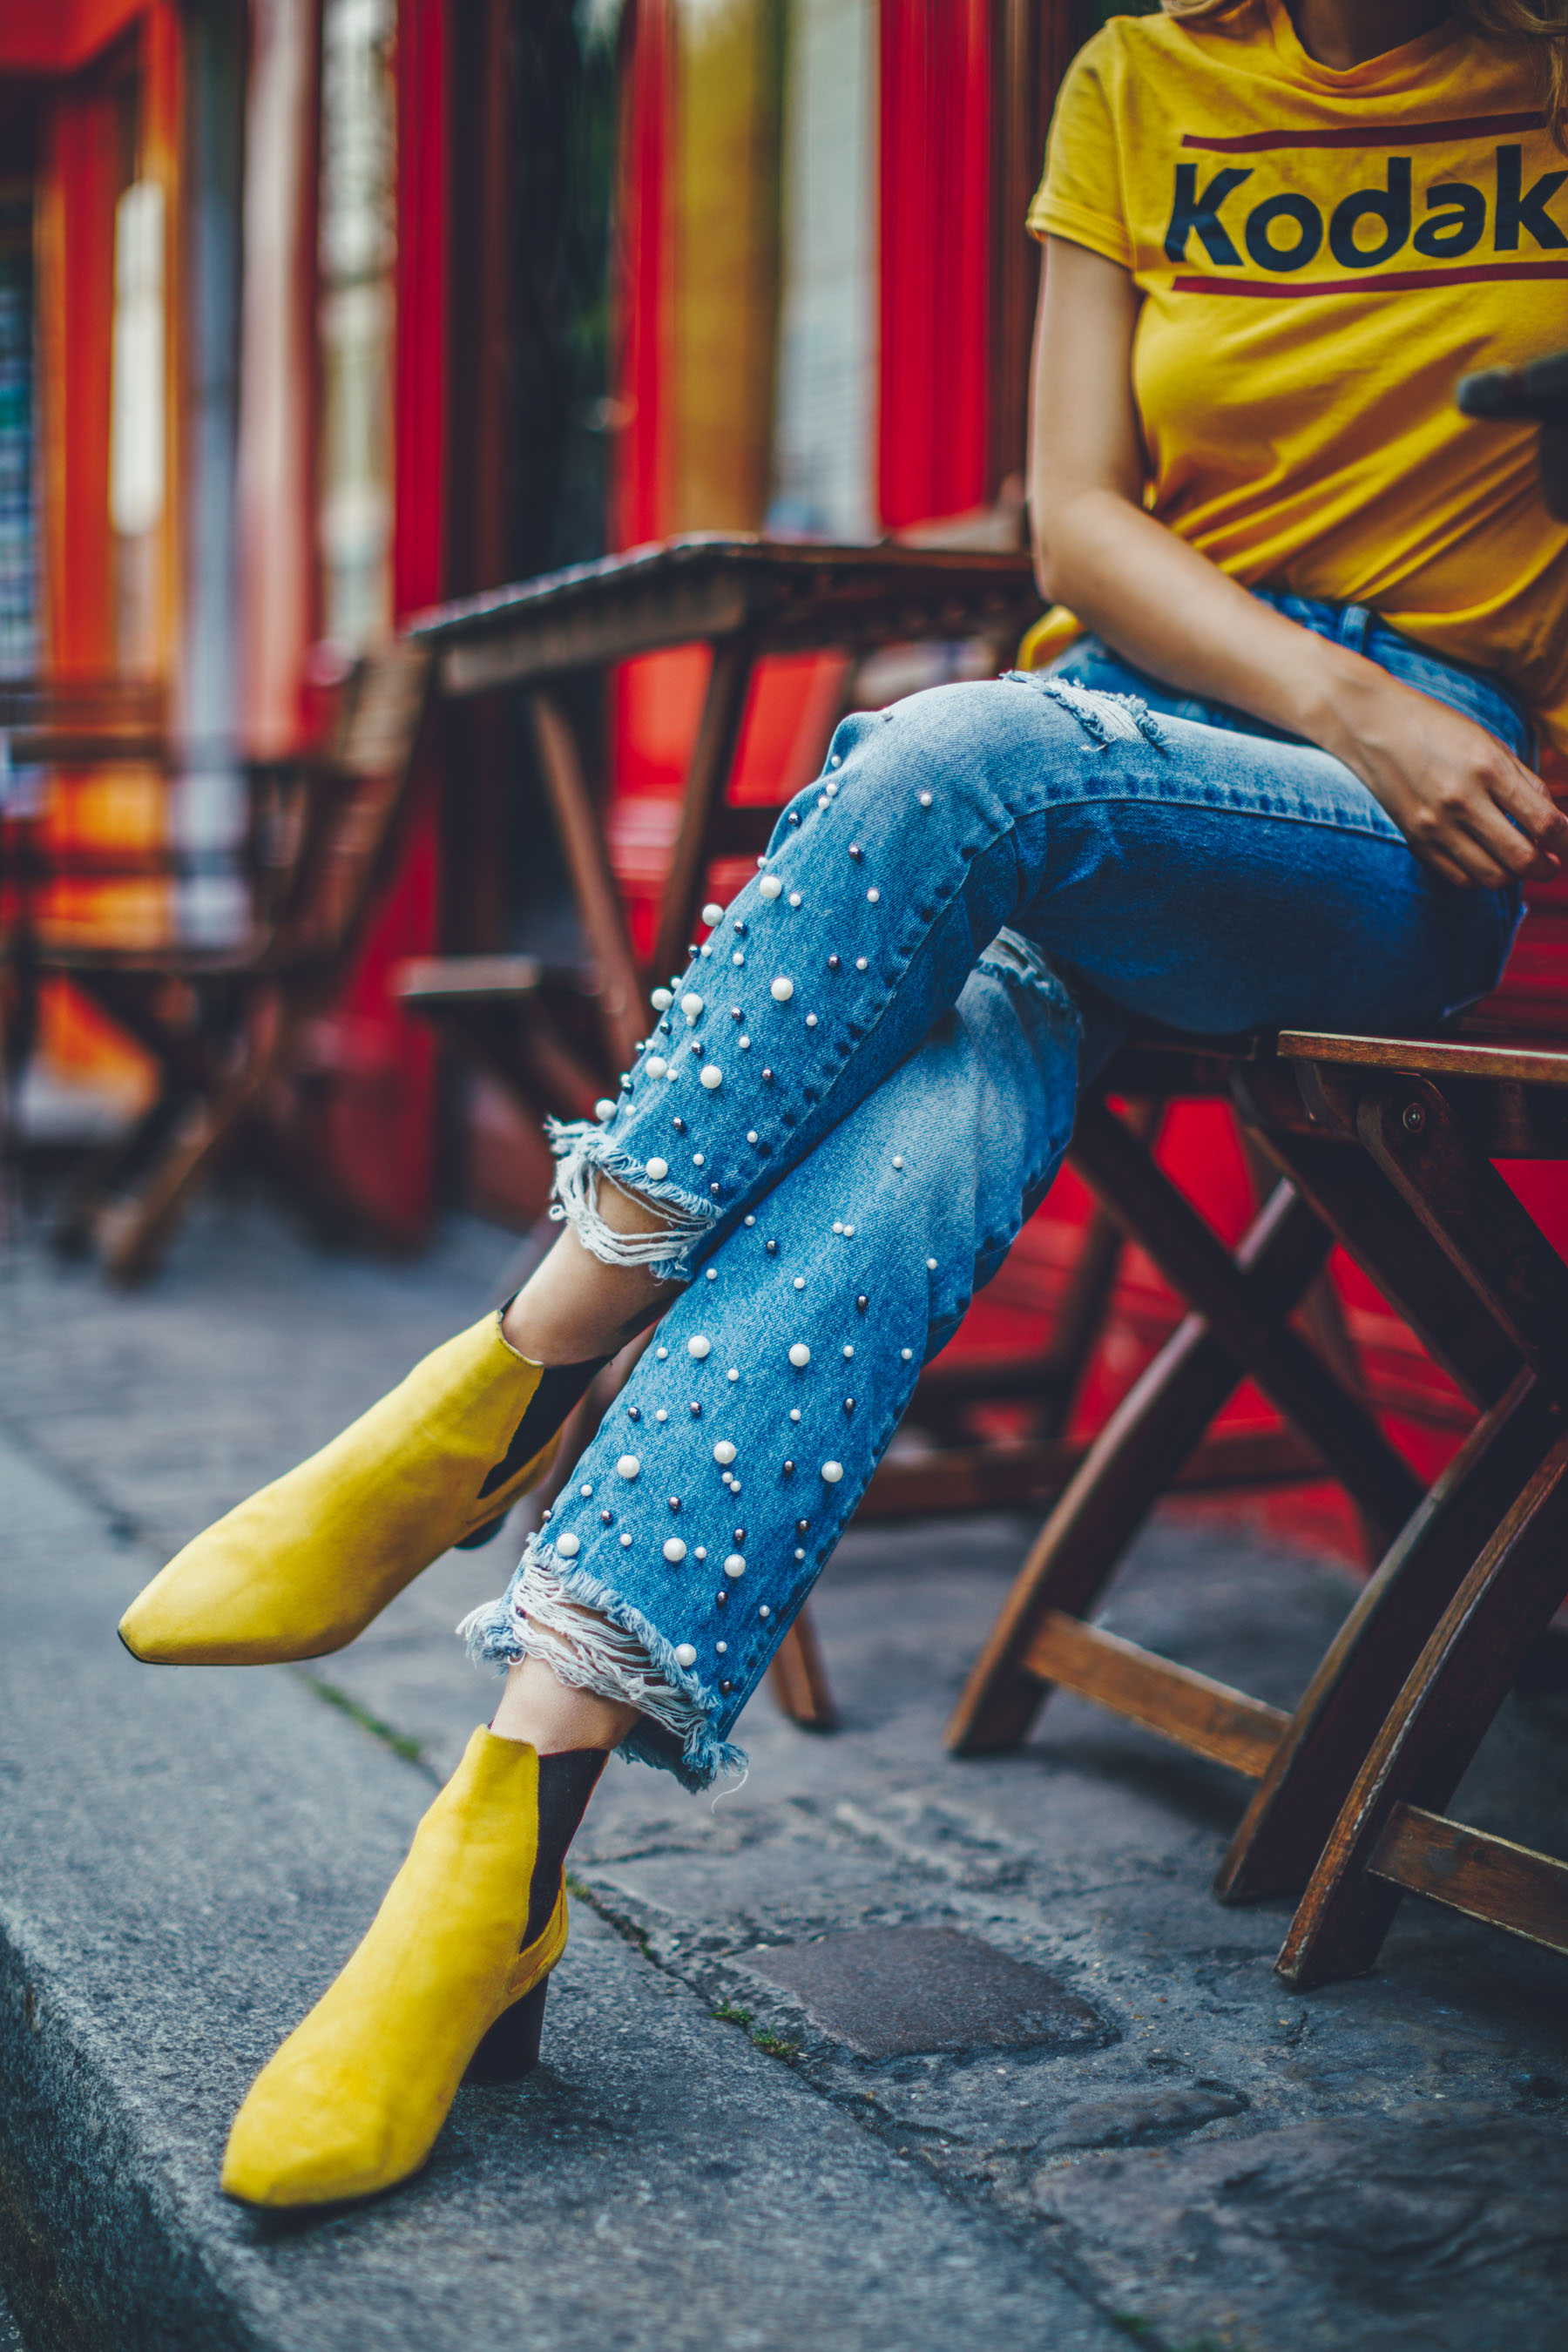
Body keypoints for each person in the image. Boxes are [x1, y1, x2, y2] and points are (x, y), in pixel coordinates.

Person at [119, 0, 1568, 2209]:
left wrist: (1396, 716)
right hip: (1160, 736)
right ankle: (502, 1838)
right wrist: (1331, 690)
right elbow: (1075, 522)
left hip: (1403, 830)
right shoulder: (1145, 81)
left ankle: (505, 1389)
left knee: (944, 758)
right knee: (942, 1087)